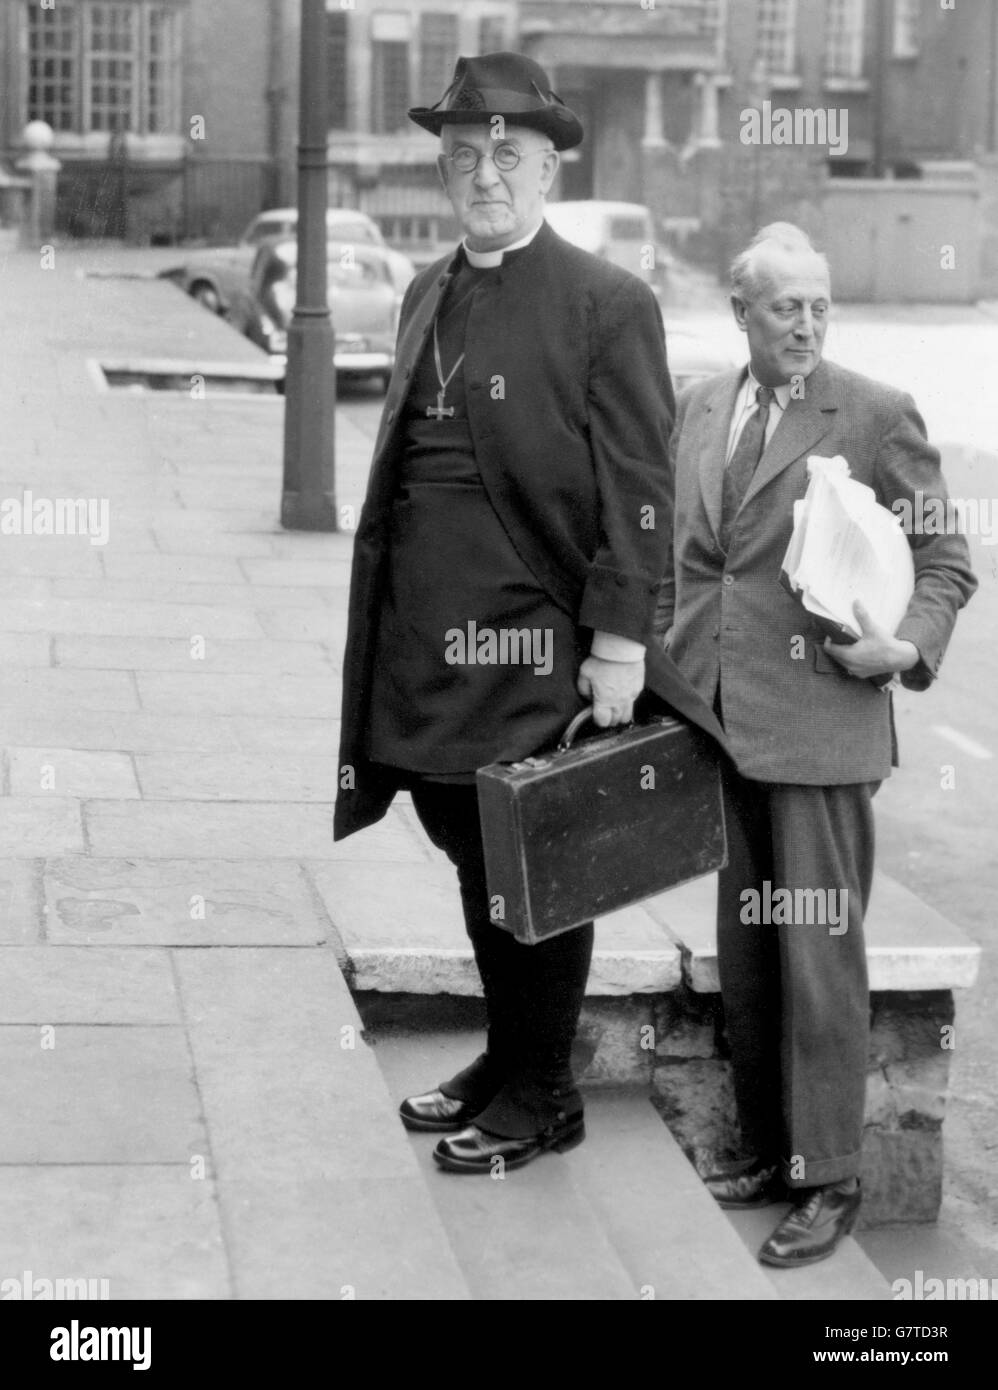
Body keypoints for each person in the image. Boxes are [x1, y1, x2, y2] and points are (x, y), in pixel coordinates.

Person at [334, 51, 724, 1175]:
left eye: (508, 153)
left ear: (548, 166)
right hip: (426, 646)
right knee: (467, 850)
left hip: (538, 643)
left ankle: (544, 1095)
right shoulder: (426, 290)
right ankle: (506, 1061)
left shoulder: (608, 303)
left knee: (533, 862)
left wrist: (615, 645)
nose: (483, 173)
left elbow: (639, 493)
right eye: (463, 154)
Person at [658, 222, 977, 1264]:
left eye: (818, 305)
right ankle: (764, 1151)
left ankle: (827, 1178)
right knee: (747, 956)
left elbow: (945, 558)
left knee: (816, 963)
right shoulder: (702, 405)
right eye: (782, 306)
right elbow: (688, 558)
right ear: (739, 312)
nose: (803, 323)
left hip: (822, 734)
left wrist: (901, 648)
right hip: (721, 726)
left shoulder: (874, 415)